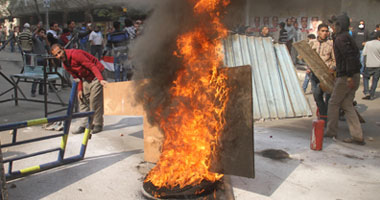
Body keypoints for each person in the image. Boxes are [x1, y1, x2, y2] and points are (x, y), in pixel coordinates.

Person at [51, 43, 108, 134]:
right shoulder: (65, 65)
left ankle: (98, 124)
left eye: (59, 52)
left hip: (97, 74)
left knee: (94, 101)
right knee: (82, 99)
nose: (59, 56)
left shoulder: (75, 55)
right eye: (56, 55)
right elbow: (77, 77)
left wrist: (101, 79)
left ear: (63, 49)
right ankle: (83, 125)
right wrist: (80, 89)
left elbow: (92, 66)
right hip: (86, 77)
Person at [325, 14, 364, 145]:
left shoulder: (341, 39)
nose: (332, 27)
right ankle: (357, 135)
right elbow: (352, 56)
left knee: (333, 102)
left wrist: (348, 77)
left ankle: (331, 131)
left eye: (334, 24)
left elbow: (349, 58)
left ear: (339, 25)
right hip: (354, 74)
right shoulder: (347, 37)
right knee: (347, 104)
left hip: (347, 76)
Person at [309, 24, 336, 122]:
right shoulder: (312, 43)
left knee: (327, 97)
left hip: (326, 75)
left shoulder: (331, 44)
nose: (325, 33)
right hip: (314, 73)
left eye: (326, 31)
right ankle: (324, 115)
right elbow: (306, 57)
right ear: (318, 32)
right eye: (322, 31)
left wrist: (332, 68)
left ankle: (325, 118)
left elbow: (334, 59)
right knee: (316, 96)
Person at [31, 28, 50, 97]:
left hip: (44, 59)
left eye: (44, 33)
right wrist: (37, 28)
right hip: (38, 59)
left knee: (43, 76)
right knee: (37, 76)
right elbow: (32, 36)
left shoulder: (44, 41)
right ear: (38, 33)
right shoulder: (36, 39)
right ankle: (33, 91)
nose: (43, 34)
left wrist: (46, 39)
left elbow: (48, 47)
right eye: (41, 32)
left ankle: (41, 90)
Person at [362, 32, 380, 100]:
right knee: (375, 79)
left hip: (369, 64)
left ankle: (367, 92)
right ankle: (372, 93)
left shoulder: (368, 44)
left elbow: (364, 54)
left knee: (366, 78)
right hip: (378, 65)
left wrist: (364, 64)